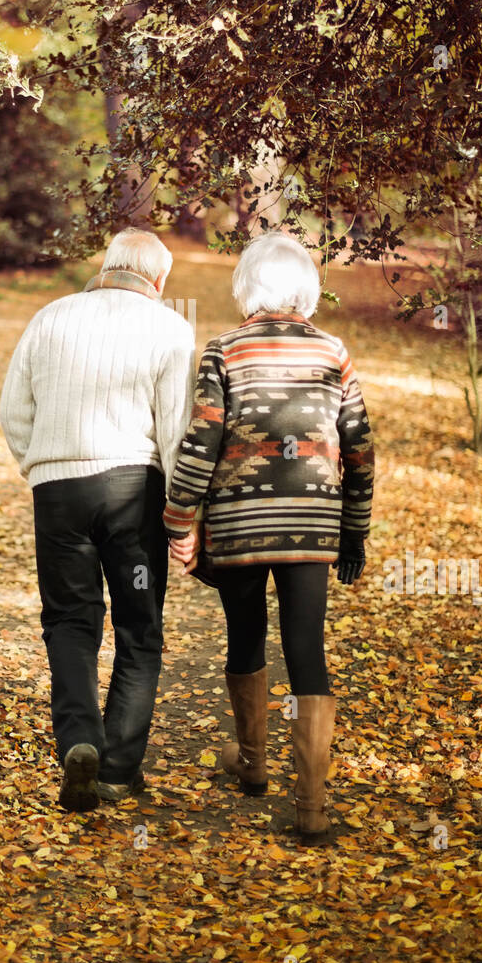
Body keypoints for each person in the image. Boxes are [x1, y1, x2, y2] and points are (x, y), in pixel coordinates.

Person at [163, 231, 374, 844]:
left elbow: (200, 442)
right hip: (312, 526)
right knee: (306, 646)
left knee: (246, 631)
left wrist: (179, 520)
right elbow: (359, 448)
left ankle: (254, 766)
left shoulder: (224, 351)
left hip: (239, 524)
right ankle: (310, 806)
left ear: (247, 288)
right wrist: (353, 532)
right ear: (304, 289)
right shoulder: (334, 352)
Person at [0, 230, 196, 811]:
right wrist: (184, 513)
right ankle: (115, 771)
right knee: (139, 628)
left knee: (69, 621)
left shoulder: (51, 317)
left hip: (58, 493)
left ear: (106, 266)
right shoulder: (170, 329)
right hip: (131, 494)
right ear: (158, 281)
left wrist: (40, 468)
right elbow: (178, 430)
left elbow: (14, 410)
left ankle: (79, 739)